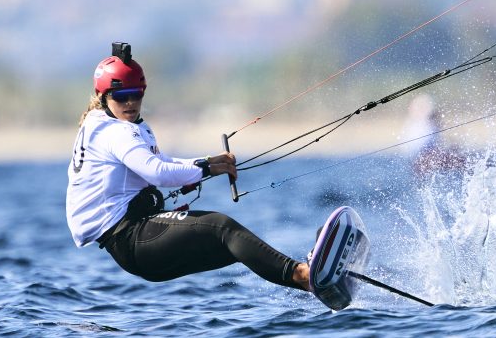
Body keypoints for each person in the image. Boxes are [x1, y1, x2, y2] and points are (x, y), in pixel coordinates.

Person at [65, 42, 356, 309]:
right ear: (103, 96)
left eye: (136, 95)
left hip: (135, 242)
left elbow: (161, 162)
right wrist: (208, 167)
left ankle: (312, 285)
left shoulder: (108, 123)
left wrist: (206, 163)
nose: (130, 103)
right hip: (130, 240)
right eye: (121, 97)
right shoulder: (114, 132)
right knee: (223, 227)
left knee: (233, 246)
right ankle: (303, 274)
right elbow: (155, 171)